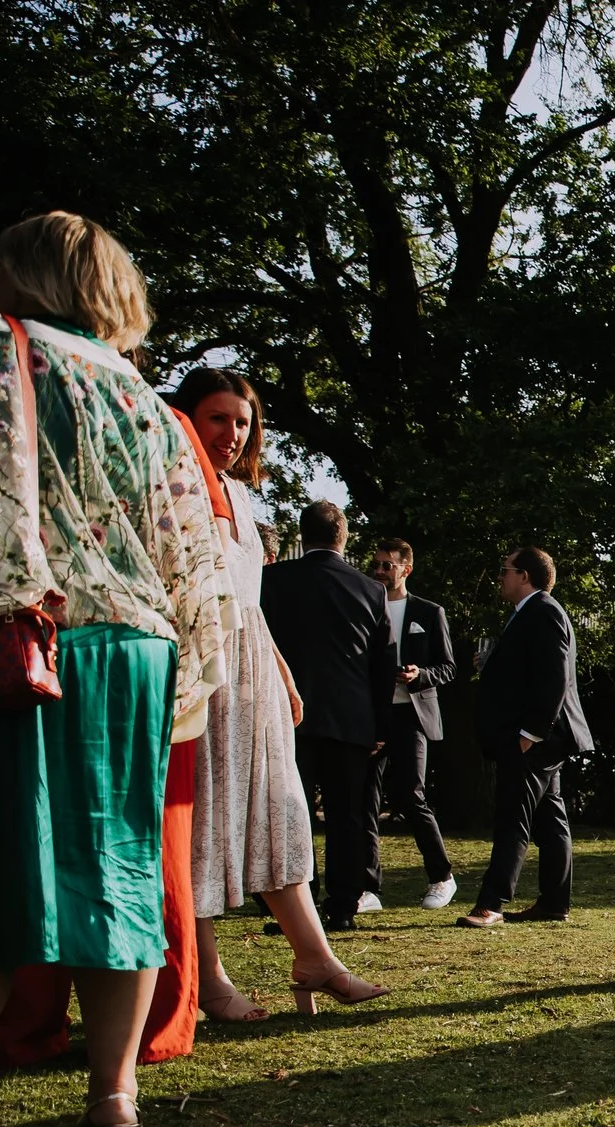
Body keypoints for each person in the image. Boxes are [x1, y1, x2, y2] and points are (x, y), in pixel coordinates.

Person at [0, 211, 232, 1127]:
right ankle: (113, 1090)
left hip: (27, 636)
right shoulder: (145, 398)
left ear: (26, 275)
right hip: (138, 648)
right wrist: (193, 674)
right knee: (117, 864)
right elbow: (189, 552)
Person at [169, 368, 385, 1019]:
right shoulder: (172, 485)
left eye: (242, 421)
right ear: (188, 418)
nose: (232, 433)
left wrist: (283, 674)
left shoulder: (241, 495)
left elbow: (251, 603)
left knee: (285, 812)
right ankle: (207, 979)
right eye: (217, 418)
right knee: (202, 820)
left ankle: (314, 956)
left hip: (252, 672)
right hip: (198, 668)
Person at [262, 499, 395, 931]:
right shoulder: (370, 590)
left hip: (287, 714)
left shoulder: (271, 580)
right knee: (348, 816)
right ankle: (342, 905)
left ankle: (298, 909)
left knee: (290, 813)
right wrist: (379, 724)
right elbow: (382, 665)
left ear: (302, 536)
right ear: (344, 537)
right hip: (350, 718)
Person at [462, 547, 593, 928]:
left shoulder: (544, 611)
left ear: (524, 575)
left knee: (512, 819)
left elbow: (554, 676)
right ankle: (554, 902)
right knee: (550, 820)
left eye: (505, 570)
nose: (500, 577)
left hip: (537, 738)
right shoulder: (529, 613)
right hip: (541, 738)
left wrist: (530, 733)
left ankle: (491, 904)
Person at [366, 537, 459, 908]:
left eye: (386, 565)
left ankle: (442, 877)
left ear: (406, 568)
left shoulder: (428, 611)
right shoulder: (366, 607)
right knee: (364, 801)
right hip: (372, 714)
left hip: (412, 715)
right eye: (375, 564)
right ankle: (368, 888)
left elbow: (449, 667)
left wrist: (420, 674)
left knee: (410, 795)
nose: (378, 571)